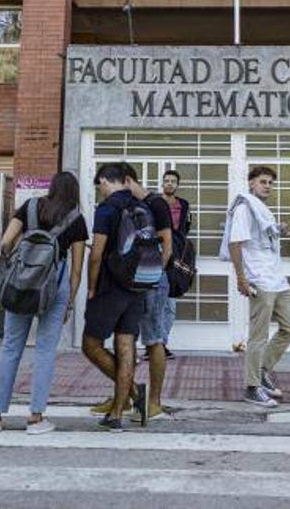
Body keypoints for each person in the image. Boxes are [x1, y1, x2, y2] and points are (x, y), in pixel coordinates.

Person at [0, 173, 88, 435]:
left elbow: (4, 242)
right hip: (55, 288)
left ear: (52, 187)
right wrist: (68, 303)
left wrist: (17, 266)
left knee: (11, 348)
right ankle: (36, 418)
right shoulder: (77, 219)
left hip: (22, 285)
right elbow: (77, 270)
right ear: (74, 192)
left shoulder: (30, 207)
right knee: (45, 351)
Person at [224, 165, 290, 408]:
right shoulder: (245, 207)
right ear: (251, 183)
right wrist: (241, 278)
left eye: (270, 183)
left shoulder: (261, 209)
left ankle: (263, 369)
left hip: (276, 278)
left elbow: (263, 237)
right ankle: (252, 387)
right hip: (259, 277)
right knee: (258, 335)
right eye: (263, 182)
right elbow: (236, 243)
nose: (267, 186)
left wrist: (280, 230)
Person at [81, 163, 147, 431]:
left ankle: (132, 392)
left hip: (111, 286)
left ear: (108, 181)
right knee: (126, 347)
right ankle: (117, 414)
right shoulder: (143, 207)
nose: (100, 191)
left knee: (91, 345)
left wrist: (91, 287)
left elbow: (96, 254)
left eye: (100, 185)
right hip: (138, 285)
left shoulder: (107, 208)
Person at [122, 165, 172, 420]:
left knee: (154, 340)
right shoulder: (128, 207)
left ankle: (154, 402)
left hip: (152, 282)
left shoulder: (157, 204)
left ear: (128, 180)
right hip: (131, 283)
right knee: (125, 339)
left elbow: (168, 247)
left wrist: (152, 277)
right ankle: (123, 397)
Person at [159, 169, 190, 360]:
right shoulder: (155, 203)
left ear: (177, 185)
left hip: (175, 258)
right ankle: (154, 345)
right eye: (167, 181)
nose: (169, 184)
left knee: (169, 305)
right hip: (155, 255)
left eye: (173, 181)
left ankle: (160, 344)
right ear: (162, 183)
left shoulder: (183, 205)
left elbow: (186, 228)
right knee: (154, 303)